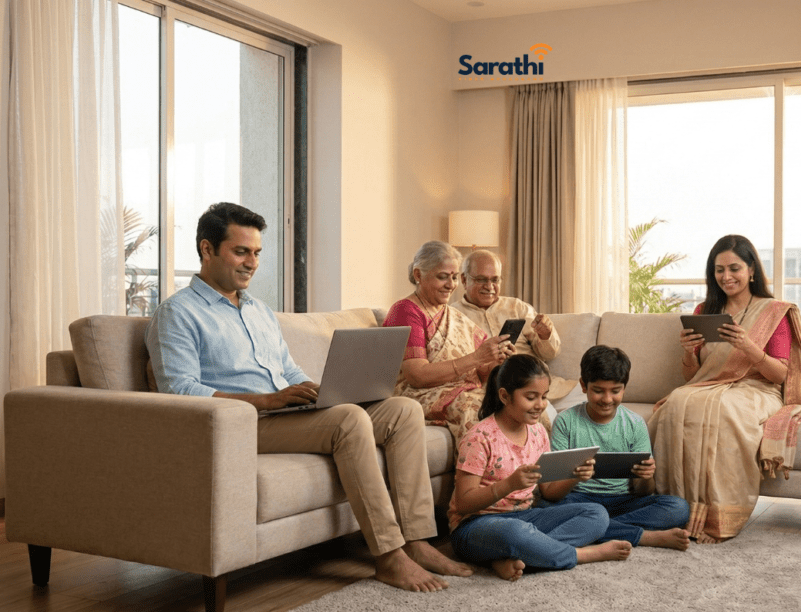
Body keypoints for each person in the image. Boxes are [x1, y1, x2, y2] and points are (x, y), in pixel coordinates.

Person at [145, 203, 472, 592]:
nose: (252, 262)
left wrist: (324, 390)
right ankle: (388, 555)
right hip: (245, 424)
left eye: (257, 253)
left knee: (401, 409)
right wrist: (267, 400)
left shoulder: (259, 311)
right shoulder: (178, 314)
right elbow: (179, 391)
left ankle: (417, 541)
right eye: (241, 251)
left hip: (286, 414)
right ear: (206, 250)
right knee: (349, 421)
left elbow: (288, 370)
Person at [648, 234, 801, 544]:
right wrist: (687, 351)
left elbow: (778, 376)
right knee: (677, 402)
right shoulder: (703, 310)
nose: (726, 277)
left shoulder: (773, 311)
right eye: (719, 270)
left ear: (751, 270)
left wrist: (748, 347)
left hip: (756, 391)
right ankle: (673, 511)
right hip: (709, 386)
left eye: (734, 268)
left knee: (723, 408)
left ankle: (716, 519)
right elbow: (692, 378)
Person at [447, 354, 633, 582]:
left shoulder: (537, 432)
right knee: (515, 533)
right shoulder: (479, 437)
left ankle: (519, 554)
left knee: (596, 514)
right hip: (475, 525)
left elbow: (549, 493)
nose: (541, 405)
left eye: (544, 397)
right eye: (531, 397)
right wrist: (509, 485)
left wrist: (574, 476)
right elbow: (464, 503)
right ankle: (580, 554)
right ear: (505, 396)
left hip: (526, 517)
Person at [548, 345, 691, 551]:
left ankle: (597, 528)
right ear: (583, 385)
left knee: (678, 508)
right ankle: (643, 536)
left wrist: (645, 476)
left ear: (624, 387)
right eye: (598, 391)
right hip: (577, 500)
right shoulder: (565, 422)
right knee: (543, 508)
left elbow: (645, 492)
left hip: (622, 502)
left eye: (615, 391)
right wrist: (576, 476)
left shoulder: (635, 423)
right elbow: (553, 493)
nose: (607, 399)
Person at [383, 241, 516, 450]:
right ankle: (477, 481)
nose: (451, 284)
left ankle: (531, 477)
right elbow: (417, 376)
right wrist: (478, 357)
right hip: (417, 395)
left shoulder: (453, 316)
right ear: (418, 275)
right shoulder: (406, 311)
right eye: (442, 276)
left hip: (462, 389)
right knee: (473, 407)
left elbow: (482, 371)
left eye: (454, 277)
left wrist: (497, 360)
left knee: (516, 401)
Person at [451, 250, 577, 407]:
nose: (489, 286)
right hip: (495, 392)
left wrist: (545, 335)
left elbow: (550, 353)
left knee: (592, 401)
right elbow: (454, 366)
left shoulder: (517, 307)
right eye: (481, 279)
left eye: (495, 280)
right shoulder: (452, 316)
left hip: (546, 385)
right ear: (464, 279)